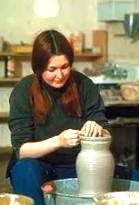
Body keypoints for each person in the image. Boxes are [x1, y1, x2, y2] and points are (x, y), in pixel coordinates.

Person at [7, 29, 110, 205]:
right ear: (38, 68)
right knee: (25, 170)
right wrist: (58, 141)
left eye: (65, 67)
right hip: (38, 165)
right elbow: (22, 151)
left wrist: (99, 129)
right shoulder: (23, 90)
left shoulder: (84, 84)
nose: (60, 75)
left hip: (78, 164)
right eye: (52, 69)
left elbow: (107, 134)